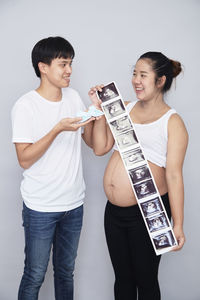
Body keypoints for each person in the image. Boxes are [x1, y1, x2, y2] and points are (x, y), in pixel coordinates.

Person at [88, 52, 188, 300]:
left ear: (160, 80)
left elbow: (174, 176)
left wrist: (177, 224)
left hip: (149, 210)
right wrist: (100, 111)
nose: (136, 80)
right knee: (122, 279)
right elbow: (100, 148)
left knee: (145, 280)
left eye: (143, 75)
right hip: (114, 213)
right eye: (134, 73)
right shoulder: (125, 109)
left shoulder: (172, 122)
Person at [11, 36, 94, 300]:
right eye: (62, 64)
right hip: (40, 207)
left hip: (74, 204)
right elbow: (24, 159)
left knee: (65, 272)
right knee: (34, 274)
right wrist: (57, 128)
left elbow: (93, 143)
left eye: (70, 63)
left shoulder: (73, 97)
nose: (69, 70)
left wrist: (97, 112)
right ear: (43, 67)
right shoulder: (25, 106)